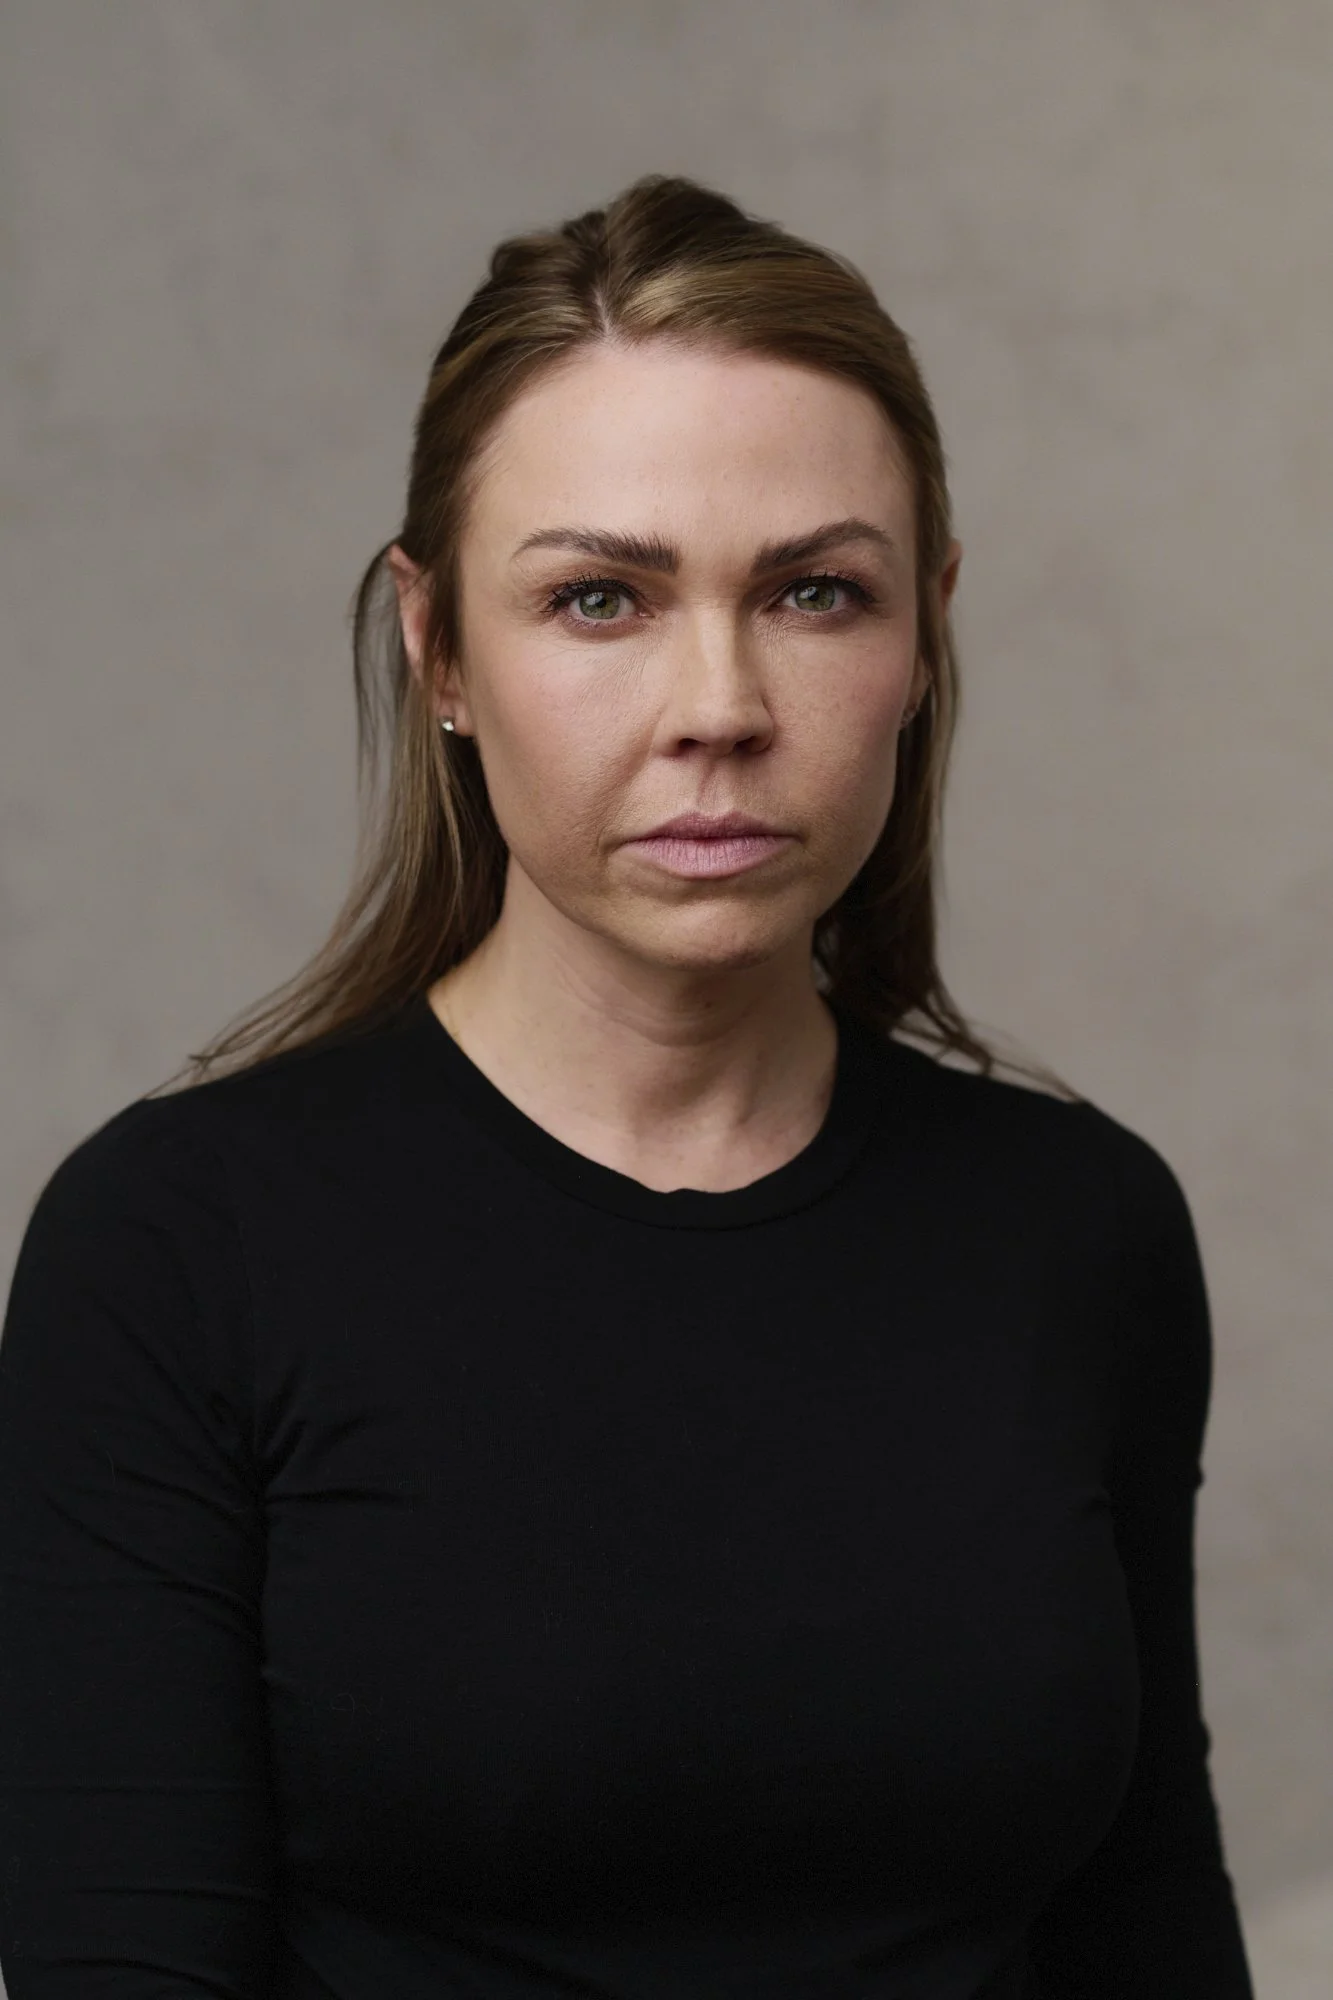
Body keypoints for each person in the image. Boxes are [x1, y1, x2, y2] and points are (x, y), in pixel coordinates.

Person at [0, 174, 1254, 1999]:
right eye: (601, 598)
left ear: (926, 637)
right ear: (438, 651)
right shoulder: (176, 1251)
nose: (721, 703)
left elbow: (1148, 1925)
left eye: (818, 592)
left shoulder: (1082, 1230)